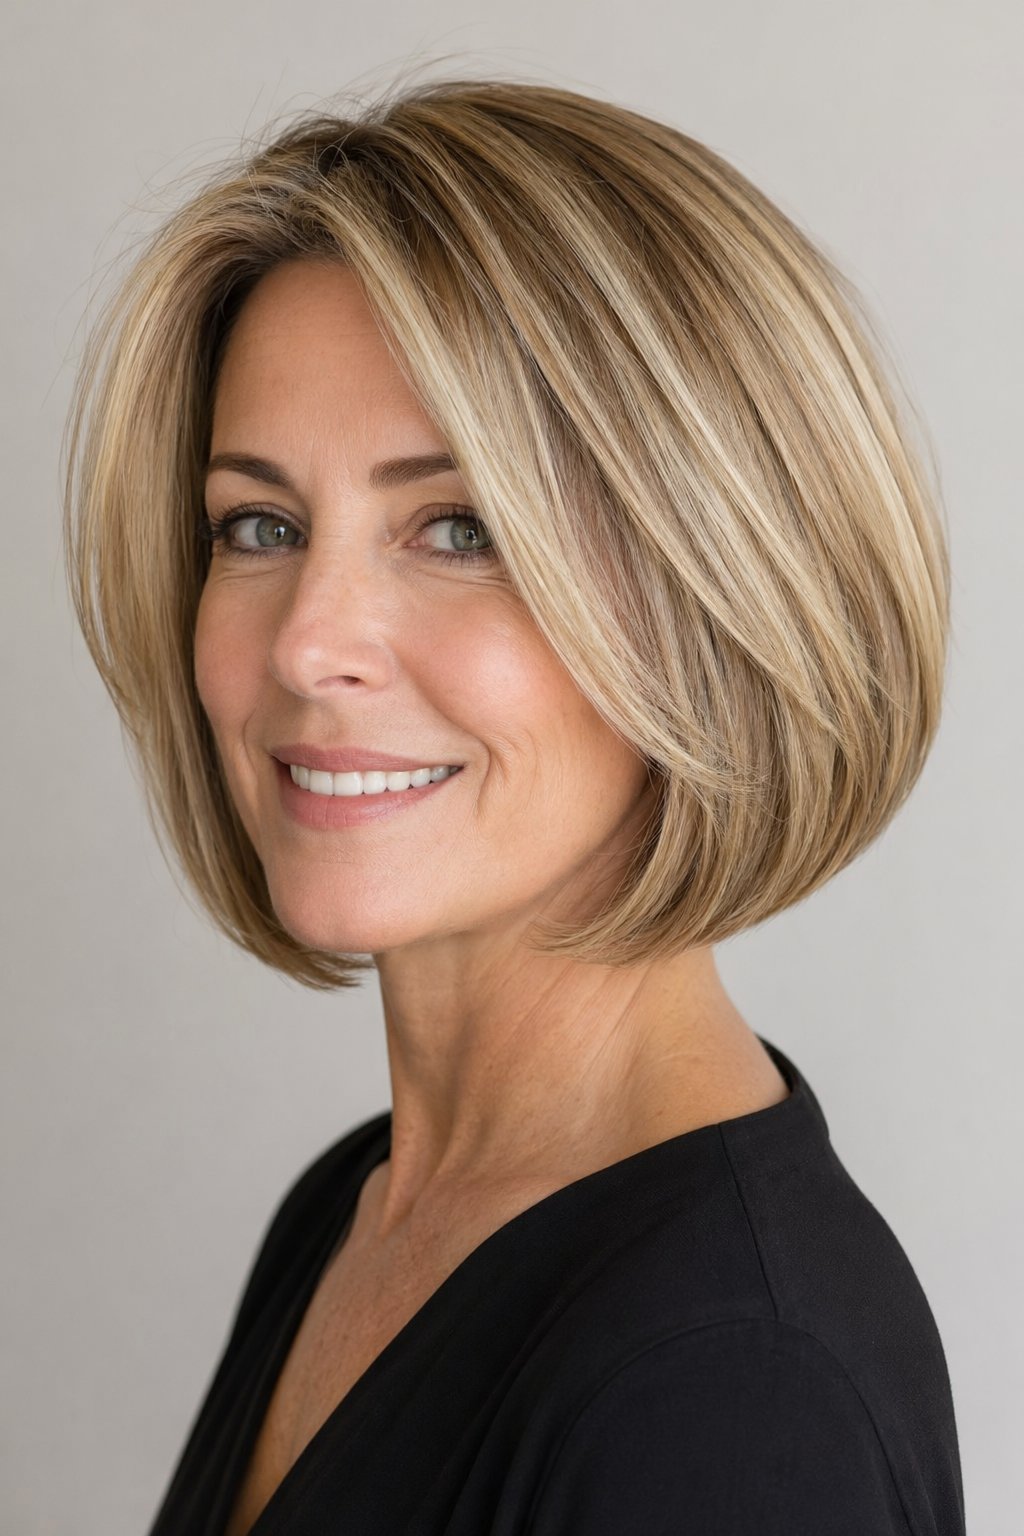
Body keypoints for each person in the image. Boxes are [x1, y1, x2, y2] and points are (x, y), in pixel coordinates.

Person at [63, 74, 966, 1535]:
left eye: (460, 527)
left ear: (716, 598)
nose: (306, 639)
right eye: (261, 525)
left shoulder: (729, 1395)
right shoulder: (360, 1210)